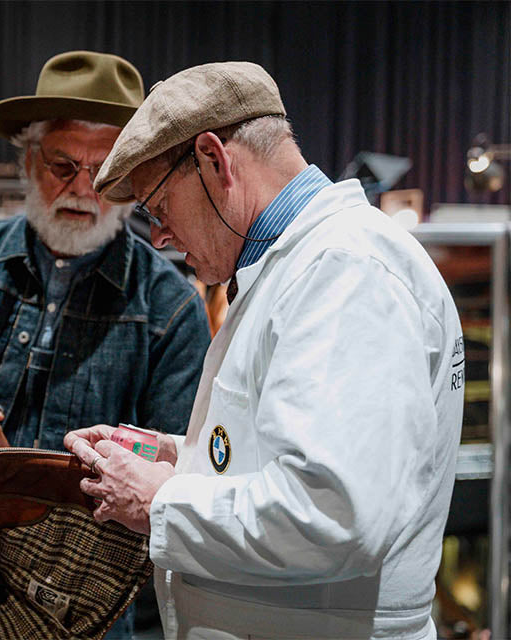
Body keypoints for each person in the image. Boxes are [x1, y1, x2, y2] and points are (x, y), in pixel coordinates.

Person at [65, 61, 463, 640]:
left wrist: (158, 503)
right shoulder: (301, 269)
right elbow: (282, 455)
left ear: (213, 159)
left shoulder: (346, 272)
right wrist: (176, 457)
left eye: (158, 206)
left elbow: (332, 515)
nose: (159, 237)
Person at [0, 51, 211, 637]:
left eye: (108, 171)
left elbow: (180, 467)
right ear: (26, 159)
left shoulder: (169, 306)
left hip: (78, 609)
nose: (84, 188)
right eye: (63, 164)